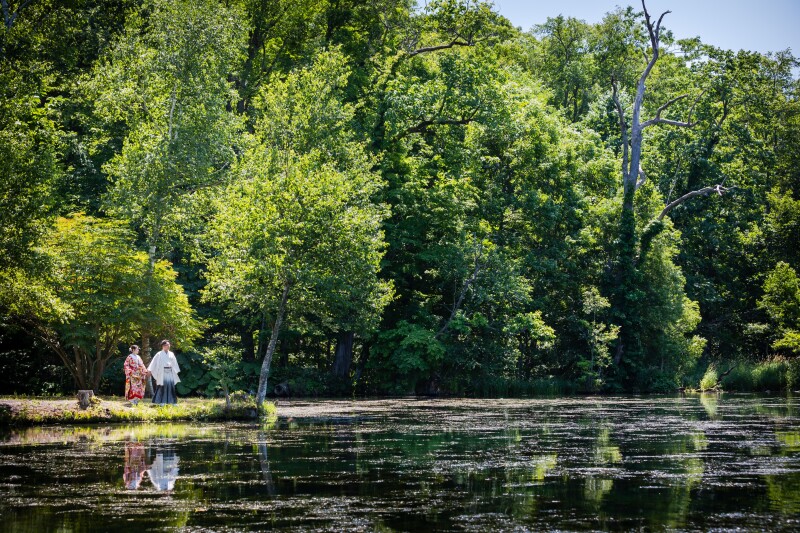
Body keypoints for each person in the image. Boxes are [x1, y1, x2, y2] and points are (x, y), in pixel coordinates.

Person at [148, 339, 180, 405]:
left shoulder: (171, 353)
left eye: (168, 345)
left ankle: (172, 402)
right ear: (163, 346)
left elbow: (174, 363)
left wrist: (175, 371)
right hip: (162, 372)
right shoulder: (159, 354)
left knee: (171, 387)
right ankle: (162, 402)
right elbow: (153, 363)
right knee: (162, 387)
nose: (168, 346)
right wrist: (150, 370)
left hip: (170, 372)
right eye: (166, 345)